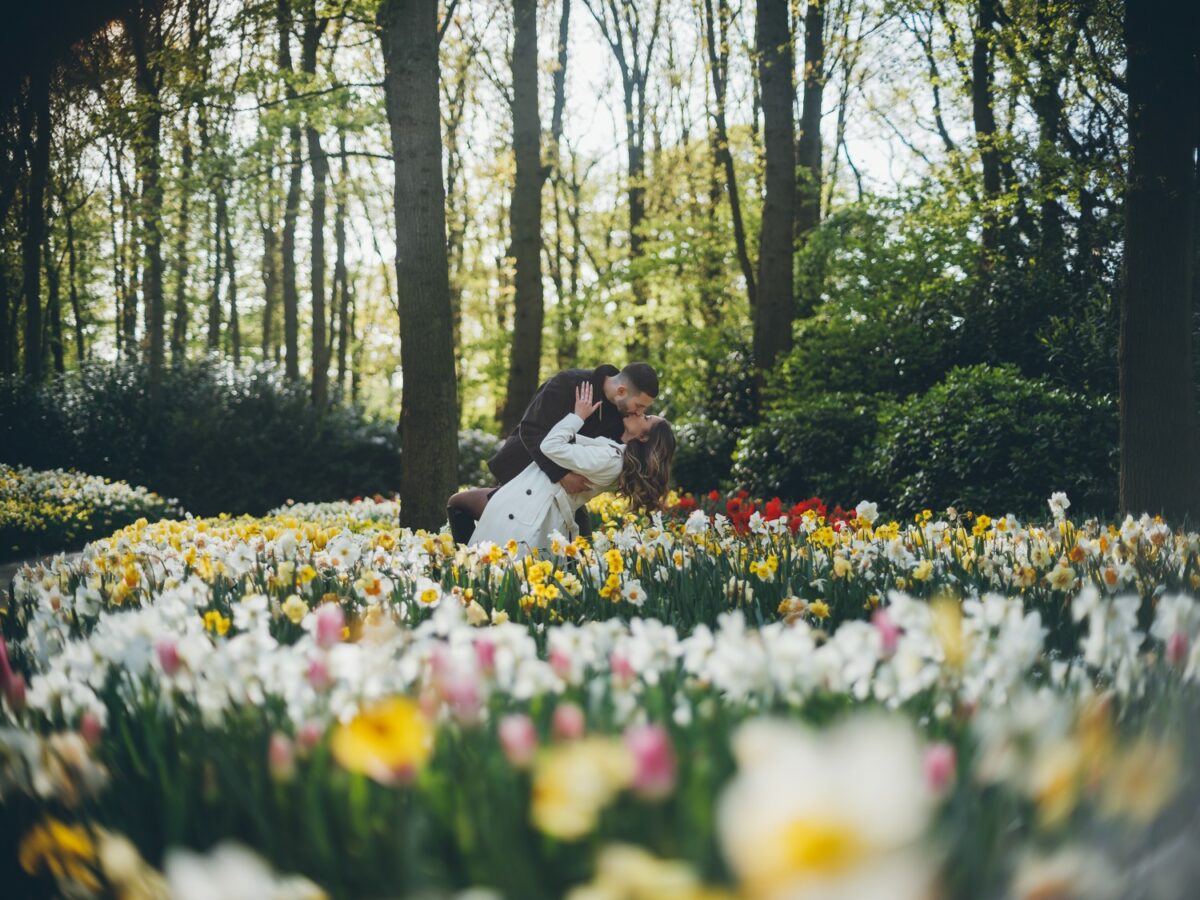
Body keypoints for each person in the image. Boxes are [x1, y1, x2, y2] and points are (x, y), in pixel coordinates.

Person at [446, 362, 659, 545]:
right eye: (639, 405)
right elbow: (530, 430)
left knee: (576, 554)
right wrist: (562, 475)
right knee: (503, 538)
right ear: (621, 390)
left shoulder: (622, 417)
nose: (640, 412)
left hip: (565, 498)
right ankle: (467, 563)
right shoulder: (568, 383)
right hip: (523, 474)